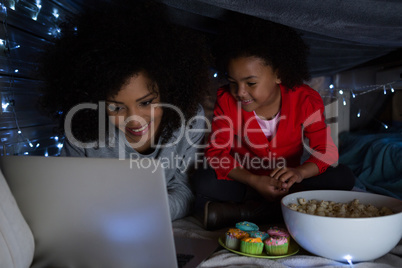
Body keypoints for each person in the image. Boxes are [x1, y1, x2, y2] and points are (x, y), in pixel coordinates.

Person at [38, 0, 211, 221]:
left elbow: (185, 191)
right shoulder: (82, 126)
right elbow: (64, 191)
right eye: (117, 107)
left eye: (146, 102)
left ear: (168, 90)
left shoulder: (189, 120)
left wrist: (143, 213)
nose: (134, 120)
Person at [192, 15, 356, 230]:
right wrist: (254, 181)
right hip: (247, 181)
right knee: (203, 181)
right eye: (233, 82)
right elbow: (216, 154)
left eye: (250, 83)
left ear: (279, 74)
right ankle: (282, 208)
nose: (240, 92)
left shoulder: (305, 99)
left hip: (290, 182)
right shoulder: (226, 99)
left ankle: (249, 212)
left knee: (343, 177)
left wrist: (299, 173)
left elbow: (326, 151)